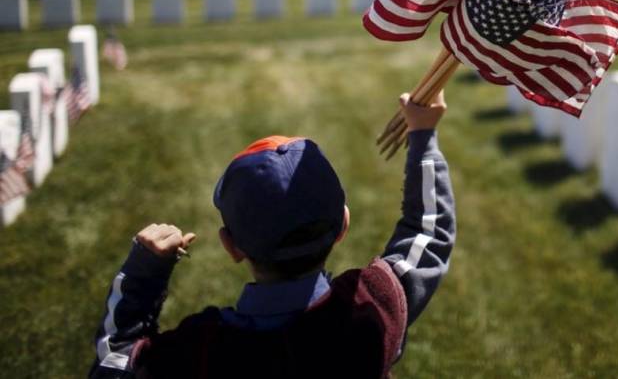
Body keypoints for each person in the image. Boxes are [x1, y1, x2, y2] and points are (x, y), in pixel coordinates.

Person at [89, 92, 454, 378]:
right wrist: (422, 134)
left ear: (231, 247)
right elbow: (429, 230)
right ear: (343, 225)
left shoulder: (199, 349)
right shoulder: (374, 307)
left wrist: (144, 273)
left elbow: (115, 362)